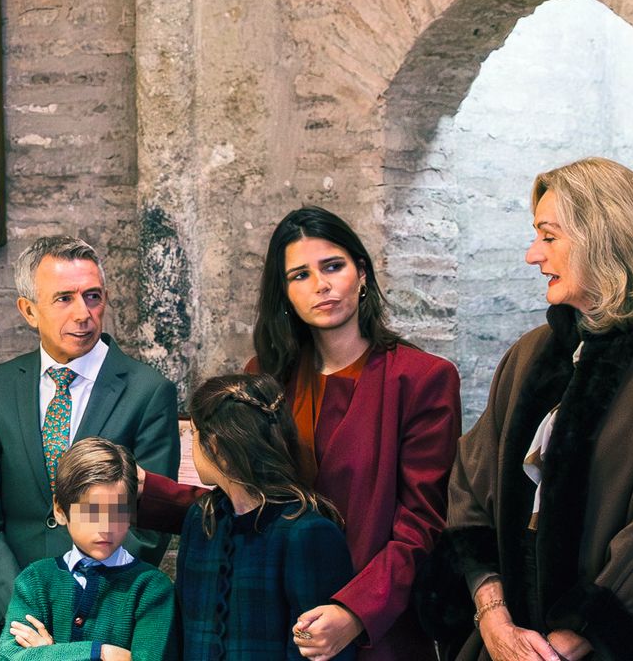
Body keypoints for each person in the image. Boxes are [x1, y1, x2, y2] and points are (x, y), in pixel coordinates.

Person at [422, 158, 633, 661]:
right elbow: (470, 490)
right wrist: (493, 618)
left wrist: (568, 644)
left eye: (549, 236)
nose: (532, 254)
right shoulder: (532, 355)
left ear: (605, 238)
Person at [138, 207, 460, 661]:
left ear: (361, 273)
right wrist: (140, 492)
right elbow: (243, 500)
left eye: (333, 266)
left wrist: (355, 611)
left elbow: (424, 524)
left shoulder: (422, 378)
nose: (321, 285)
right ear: (285, 293)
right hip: (276, 625)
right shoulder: (264, 378)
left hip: (378, 630)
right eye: (300, 275)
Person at [0, 235, 180, 661]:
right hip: (7, 630)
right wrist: (25, 616)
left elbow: (148, 525)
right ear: (28, 310)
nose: (83, 313)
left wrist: (73, 636)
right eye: (63, 298)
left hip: (108, 627)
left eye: (92, 296)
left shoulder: (148, 391)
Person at [174, 374, 356, 661]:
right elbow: (180, 635)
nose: (191, 444)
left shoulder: (308, 533)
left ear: (217, 446)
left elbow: (316, 650)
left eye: (194, 433)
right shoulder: (202, 520)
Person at [0, 438, 174, 661]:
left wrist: (49, 652)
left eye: (119, 511)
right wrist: (100, 653)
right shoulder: (35, 580)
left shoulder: (151, 589)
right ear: (60, 510)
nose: (106, 526)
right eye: (92, 511)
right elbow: (9, 655)